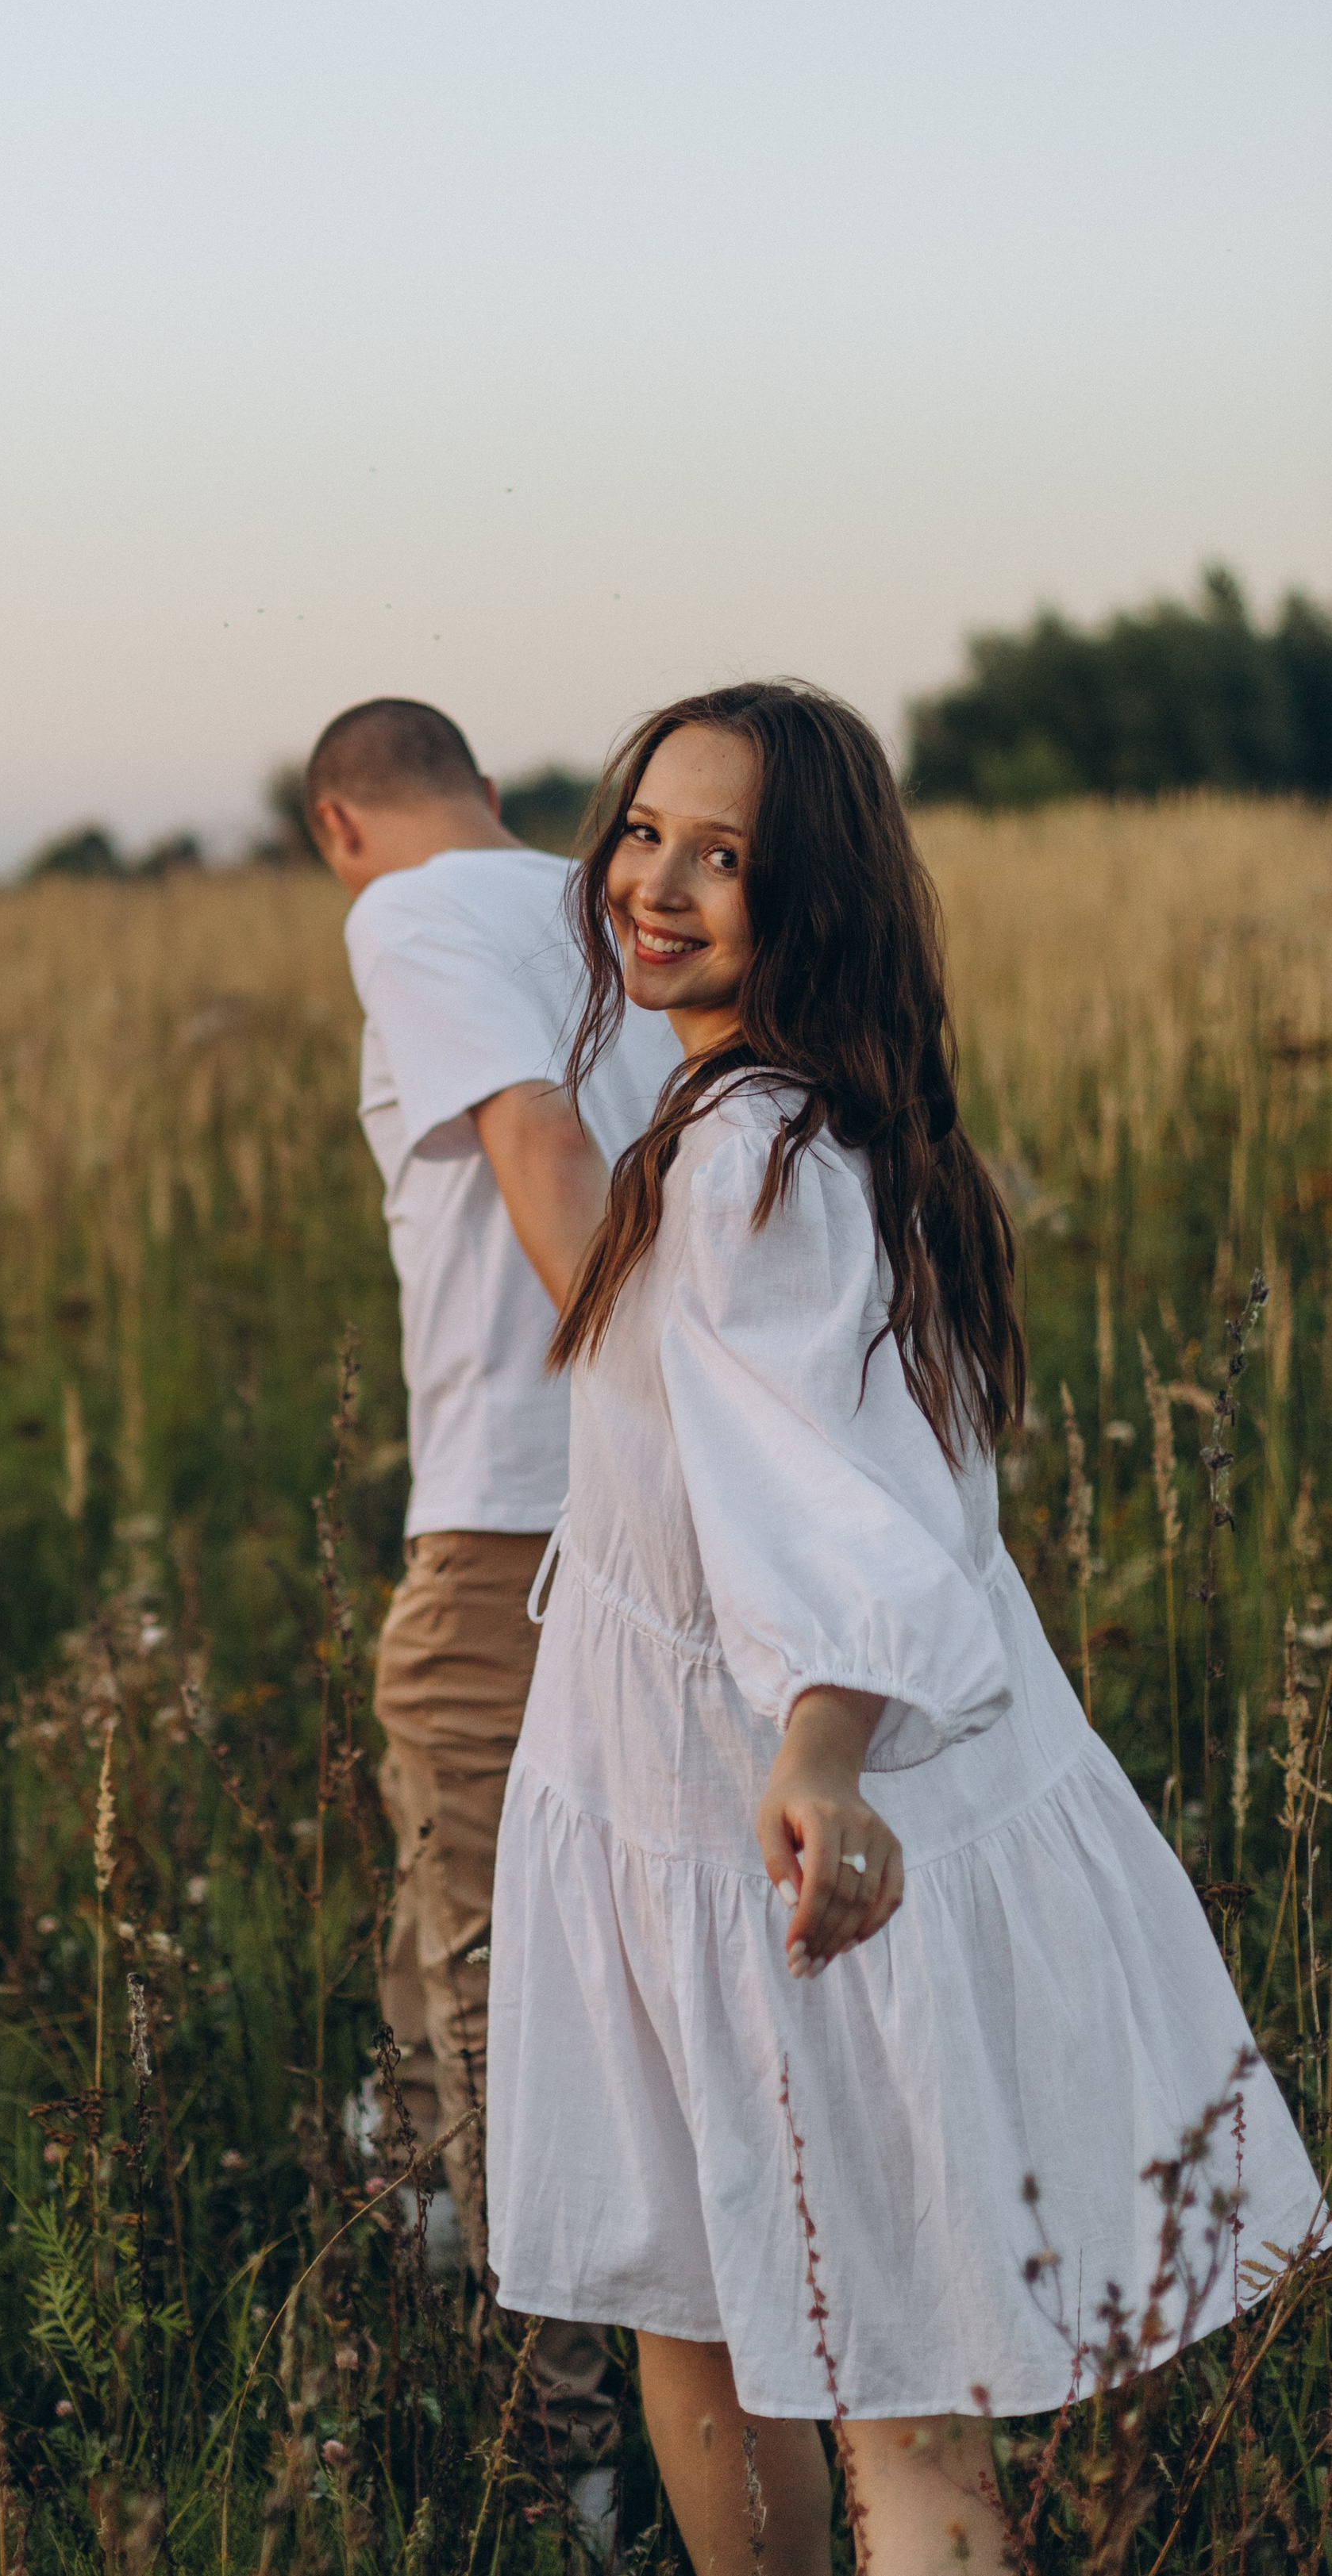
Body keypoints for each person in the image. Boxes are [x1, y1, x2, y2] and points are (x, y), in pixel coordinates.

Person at [483, 681, 1326, 2575]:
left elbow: (832, 1503)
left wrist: (817, 1750)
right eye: (644, 833)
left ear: (818, 904)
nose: (662, 885)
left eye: (730, 859)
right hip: (670, 1811)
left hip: (751, 1829)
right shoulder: (770, 1124)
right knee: (714, 2324)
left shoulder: (748, 1160)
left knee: (870, 2376)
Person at [304, 697, 678, 2529]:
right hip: (644, 1531)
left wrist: (631, 1384)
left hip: (515, 1529)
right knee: (454, 1920)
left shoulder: (412, 911)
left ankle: (565, 2458)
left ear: (336, 826)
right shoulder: (604, 909)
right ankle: (417, 2257)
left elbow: (534, 1142)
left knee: (498, 1989)